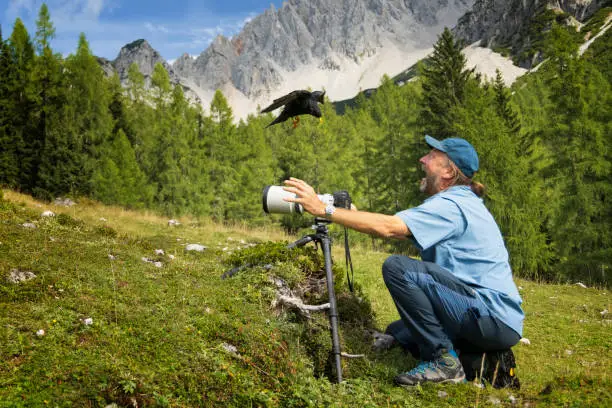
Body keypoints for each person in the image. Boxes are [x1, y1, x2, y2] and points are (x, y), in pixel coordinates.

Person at [282, 135, 524, 387]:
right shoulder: (462, 202)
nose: (422, 159)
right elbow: (400, 229)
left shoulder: (451, 205)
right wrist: (351, 215)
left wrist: (325, 211)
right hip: (490, 317)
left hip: (490, 316)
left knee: (398, 268)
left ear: (448, 172)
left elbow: (390, 228)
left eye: (431, 156)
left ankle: (444, 363)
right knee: (398, 331)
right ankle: (479, 359)